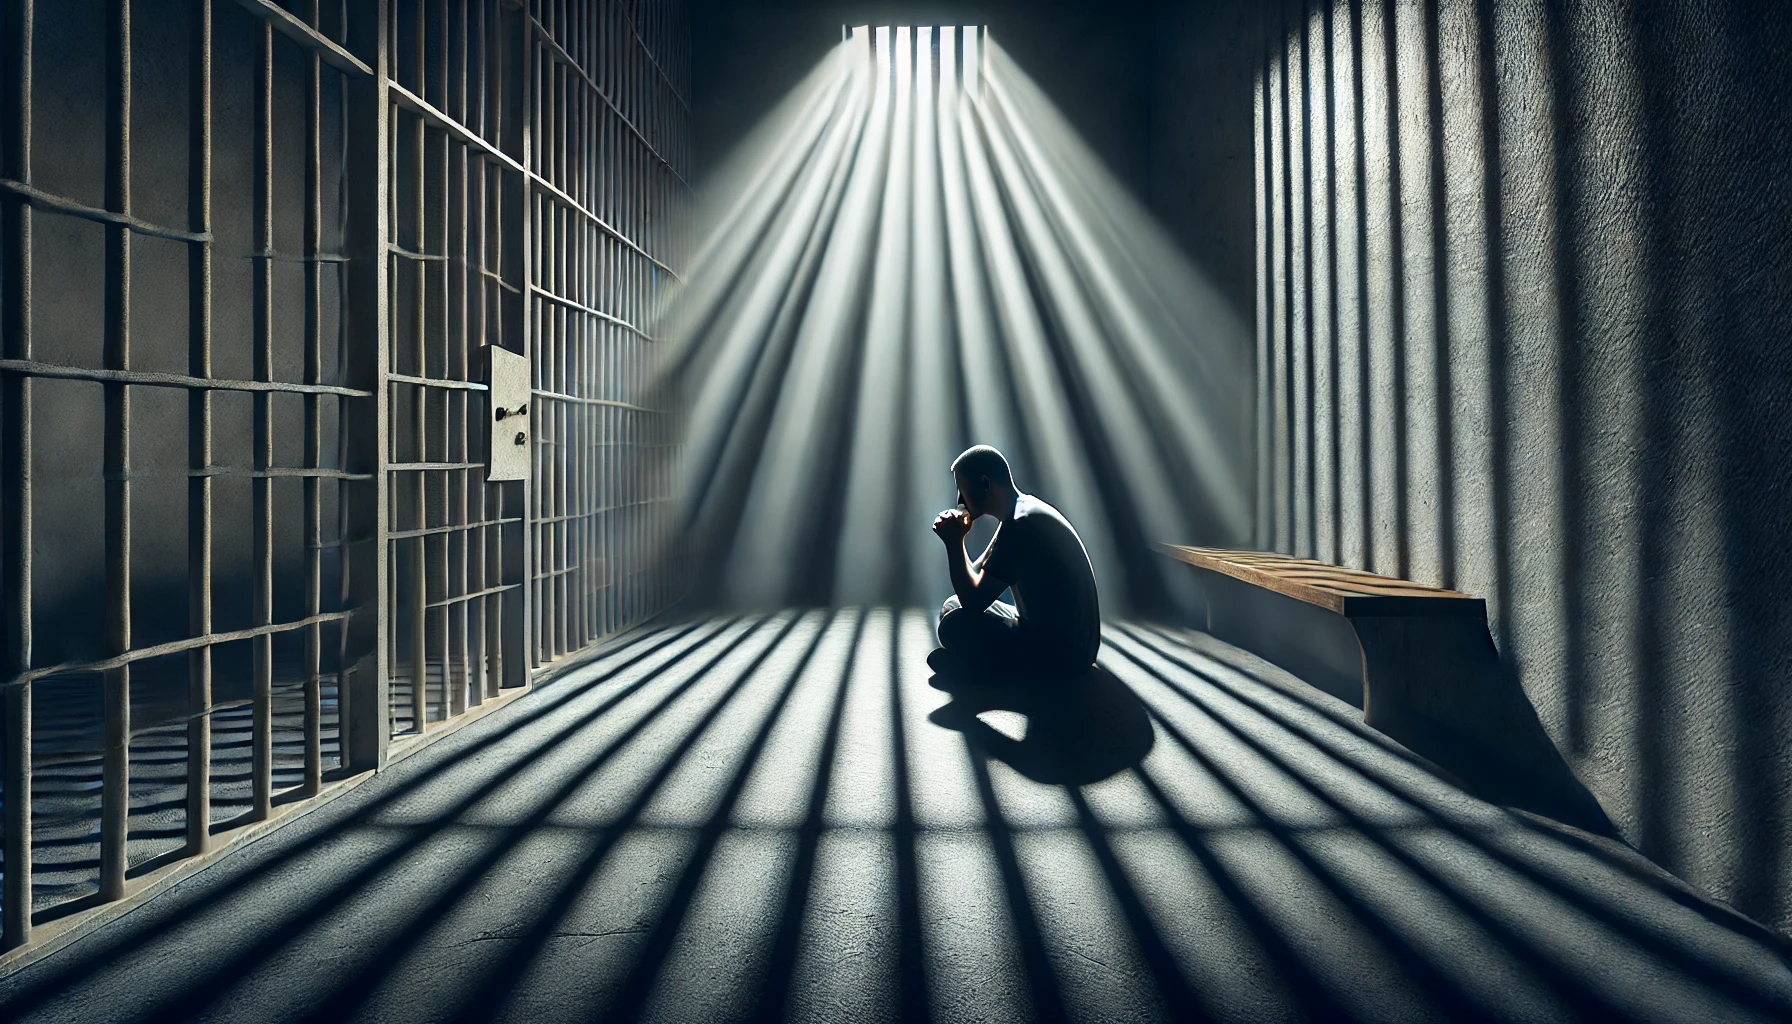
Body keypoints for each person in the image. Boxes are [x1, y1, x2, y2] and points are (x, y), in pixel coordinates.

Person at [930, 445, 1100, 680]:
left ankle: (985, 671)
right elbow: (976, 575)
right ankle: (975, 662)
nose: (959, 499)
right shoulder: (1019, 513)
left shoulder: (1022, 526)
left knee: (954, 625)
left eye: (962, 489)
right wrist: (959, 535)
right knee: (952, 604)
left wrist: (953, 542)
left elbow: (973, 601)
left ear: (985, 483)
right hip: (1061, 637)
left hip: (1066, 652)